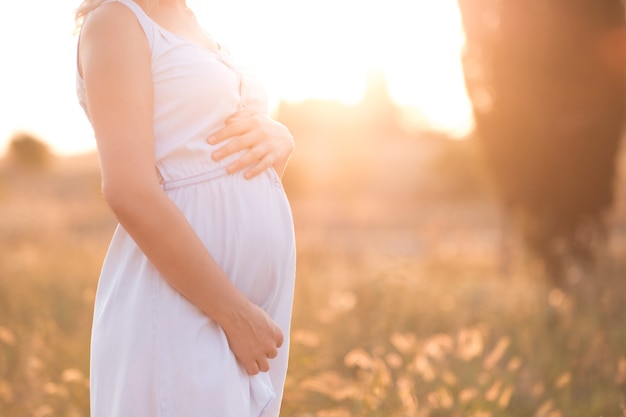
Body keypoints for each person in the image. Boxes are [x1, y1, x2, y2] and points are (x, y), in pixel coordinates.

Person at [75, 0, 296, 415]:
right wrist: (233, 314)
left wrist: (279, 142)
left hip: (241, 307)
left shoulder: (193, 22)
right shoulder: (116, 23)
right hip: (183, 302)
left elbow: (218, 171)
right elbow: (129, 190)